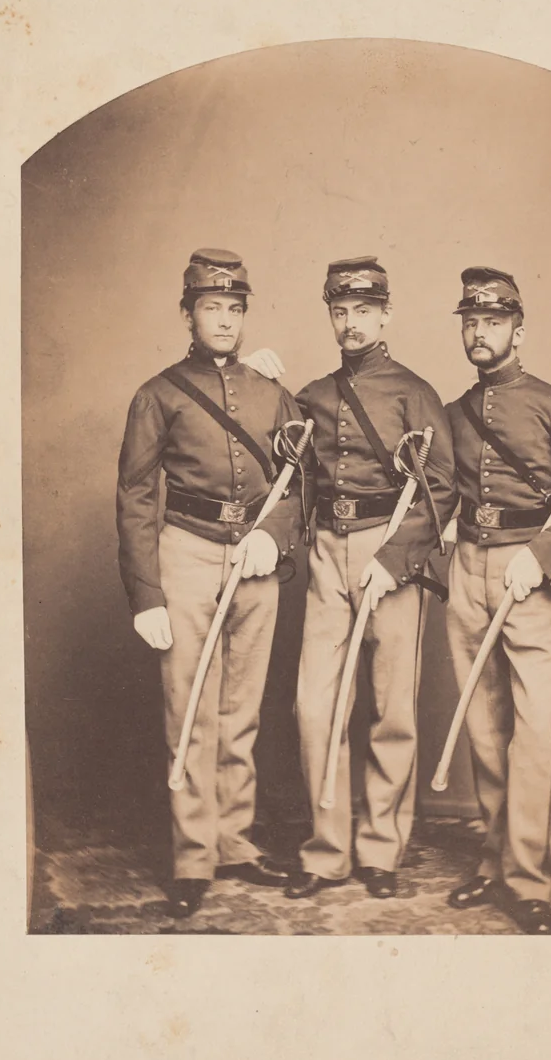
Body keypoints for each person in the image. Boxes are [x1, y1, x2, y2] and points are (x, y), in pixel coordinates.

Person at [116, 248, 304, 919]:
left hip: (255, 560)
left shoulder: (272, 392)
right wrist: (147, 595)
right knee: (190, 708)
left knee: (241, 709)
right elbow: (137, 495)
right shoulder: (159, 394)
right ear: (187, 314)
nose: (224, 320)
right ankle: (194, 856)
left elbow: (299, 480)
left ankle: (234, 842)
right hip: (187, 554)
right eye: (211, 307)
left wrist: (272, 534)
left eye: (234, 308)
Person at [442, 266, 551, 934]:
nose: (480, 333)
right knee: (485, 730)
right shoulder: (455, 412)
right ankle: (494, 862)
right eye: (471, 322)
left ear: (518, 330)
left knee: (535, 732)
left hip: (530, 577)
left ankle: (528, 880)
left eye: (493, 322)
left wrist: (541, 555)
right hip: (468, 571)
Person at [284, 257, 458, 900]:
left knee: (392, 710)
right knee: (315, 706)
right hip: (328, 552)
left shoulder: (415, 393)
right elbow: (288, 472)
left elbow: (443, 488)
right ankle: (325, 853)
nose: (350, 323)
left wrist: (395, 558)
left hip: (391, 554)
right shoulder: (312, 395)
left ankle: (382, 851)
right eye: (340, 312)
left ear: (385, 315)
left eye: (363, 311)